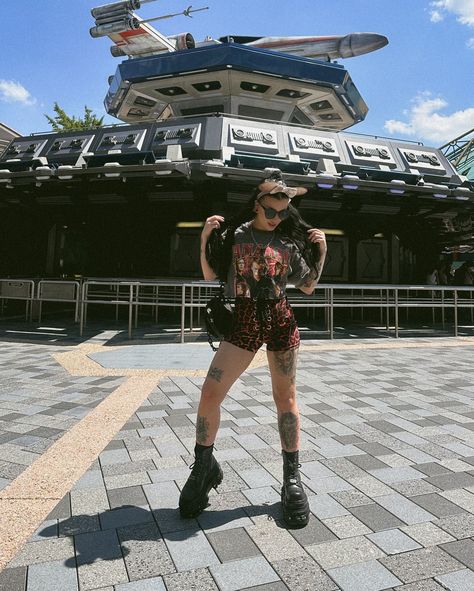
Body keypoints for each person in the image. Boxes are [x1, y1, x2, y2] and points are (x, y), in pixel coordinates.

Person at [178, 175, 327, 528]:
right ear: (256, 204)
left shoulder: (289, 241)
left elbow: (307, 287)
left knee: (285, 400)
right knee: (210, 393)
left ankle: (292, 479)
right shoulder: (235, 235)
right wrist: (203, 239)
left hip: (280, 319)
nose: (276, 218)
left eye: (282, 212)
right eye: (271, 211)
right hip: (243, 319)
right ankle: (203, 468)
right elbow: (210, 274)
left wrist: (322, 251)